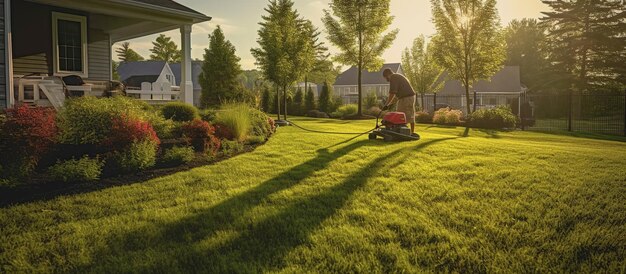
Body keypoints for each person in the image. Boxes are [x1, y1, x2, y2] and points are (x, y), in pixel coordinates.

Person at [381, 68, 417, 134]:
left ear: (388, 74)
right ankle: (403, 131)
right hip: (404, 98)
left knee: (407, 115)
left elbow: (392, 93)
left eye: (386, 77)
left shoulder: (393, 77)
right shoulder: (397, 77)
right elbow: (395, 96)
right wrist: (389, 105)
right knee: (400, 115)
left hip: (407, 97)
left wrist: (386, 104)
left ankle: (411, 133)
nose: (386, 80)